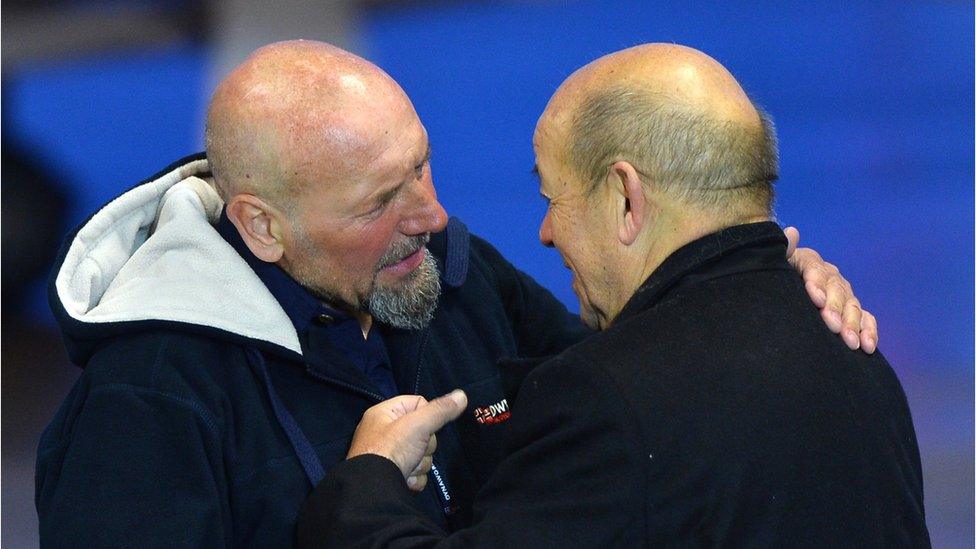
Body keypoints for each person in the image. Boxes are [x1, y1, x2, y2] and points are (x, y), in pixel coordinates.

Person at [37, 41, 875, 547]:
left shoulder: (450, 274)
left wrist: (753, 291)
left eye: (421, 165)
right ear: (262, 226)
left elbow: (647, 400)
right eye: (379, 201)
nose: (431, 213)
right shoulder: (148, 405)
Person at [295, 43, 928, 547]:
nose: (545, 234)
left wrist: (367, 483)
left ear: (626, 198)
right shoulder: (852, 350)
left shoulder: (610, 399)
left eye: (552, 198)